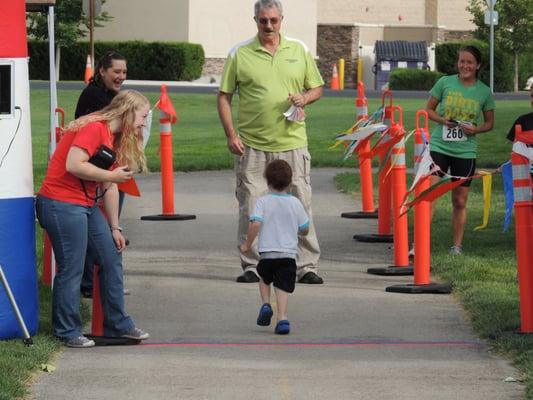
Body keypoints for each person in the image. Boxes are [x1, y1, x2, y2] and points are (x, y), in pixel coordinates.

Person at [217, 0, 324, 284]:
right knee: (251, 204)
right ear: (255, 20)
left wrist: (305, 98)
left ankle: (307, 265)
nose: (268, 26)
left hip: (292, 142)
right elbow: (224, 96)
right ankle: (252, 265)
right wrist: (231, 135)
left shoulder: (298, 50)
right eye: (263, 20)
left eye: (273, 20)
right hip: (252, 144)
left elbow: (317, 87)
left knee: (301, 201)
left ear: (281, 20)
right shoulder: (240, 53)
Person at [36, 90, 150, 348]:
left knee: (111, 256)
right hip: (61, 203)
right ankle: (67, 331)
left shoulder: (114, 137)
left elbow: (110, 187)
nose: (144, 122)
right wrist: (111, 177)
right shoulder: (95, 128)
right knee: (72, 267)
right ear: (128, 110)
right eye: (143, 116)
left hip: (85, 205)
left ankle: (118, 325)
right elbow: (74, 165)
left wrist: (115, 226)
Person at [426, 45, 495, 255]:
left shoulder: (484, 91)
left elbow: (490, 123)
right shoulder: (445, 82)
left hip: (465, 152)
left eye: (469, 62)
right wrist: (443, 120)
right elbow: (428, 109)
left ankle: (456, 246)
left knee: (459, 200)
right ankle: (419, 243)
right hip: (439, 146)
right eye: (462, 61)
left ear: (478, 66)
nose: (464, 66)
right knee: (429, 194)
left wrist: (476, 129)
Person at [74, 51, 128, 298]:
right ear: (102, 71)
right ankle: (91, 284)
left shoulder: (110, 94)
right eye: (116, 71)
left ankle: (99, 282)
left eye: (124, 72)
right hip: (96, 172)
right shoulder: (95, 96)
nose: (121, 77)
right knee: (99, 230)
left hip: (107, 169)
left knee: (105, 228)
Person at [240, 160, 309, 335]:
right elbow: (305, 228)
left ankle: (265, 304)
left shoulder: (263, 202)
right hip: (288, 255)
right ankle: (282, 318)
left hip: (267, 254)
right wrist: (301, 231)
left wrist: (248, 243)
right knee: (283, 286)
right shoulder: (295, 203)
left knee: (264, 278)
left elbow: (255, 224)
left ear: (266, 180)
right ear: (290, 181)